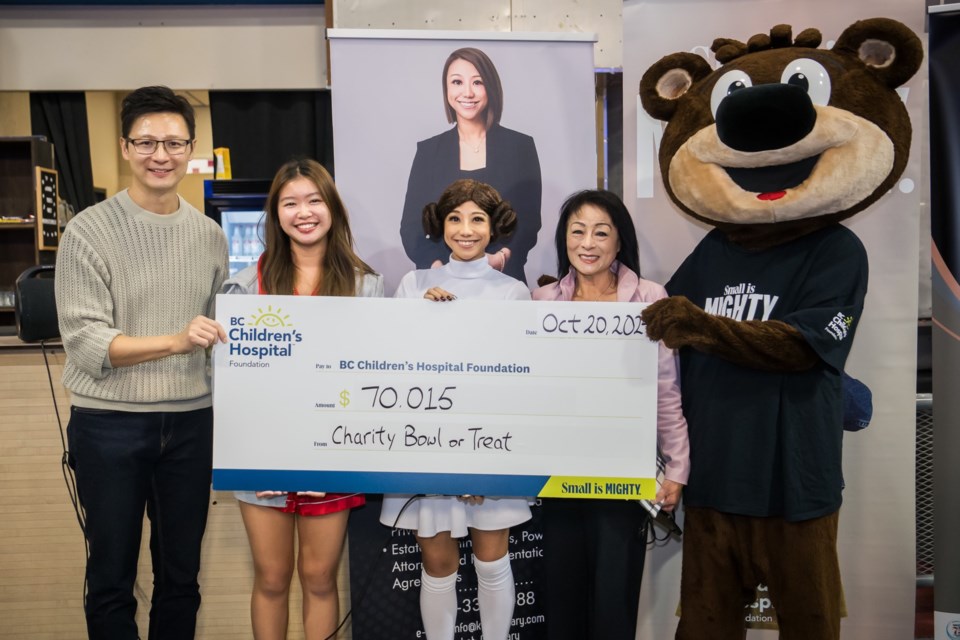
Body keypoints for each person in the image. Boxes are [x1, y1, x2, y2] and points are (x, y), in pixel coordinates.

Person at [55, 85, 229, 640]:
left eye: (174, 142)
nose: (161, 154)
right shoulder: (86, 230)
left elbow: (219, 327)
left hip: (190, 424)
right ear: (125, 147)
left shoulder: (209, 235)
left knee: (182, 575)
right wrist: (176, 342)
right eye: (147, 141)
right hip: (108, 424)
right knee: (111, 575)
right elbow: (86, 342)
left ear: (191, 146)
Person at [222, 158, 383, 639]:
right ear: (275, 214)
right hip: (261, 455)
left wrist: (335, 459)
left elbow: (372, 381)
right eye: (290, 203)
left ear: (332, 208)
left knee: (318, 578)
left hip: (333, 452)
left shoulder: (365, 287)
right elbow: (237, 386)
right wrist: (257, 455)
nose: (304, 212)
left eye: (314, 200)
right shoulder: (244, 289)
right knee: (271, 578)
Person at [531, 190, 690, 640]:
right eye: (577, 231)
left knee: (614, 602)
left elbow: (666, 390)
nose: (588, 242)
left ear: (619, 242)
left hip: (624, 474)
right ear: (564, 240)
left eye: (602, 232)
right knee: (561, 598)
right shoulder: (541, 302)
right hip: (559, 474)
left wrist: (677, 467)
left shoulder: (650, 297)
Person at [382, 179, 531, 640]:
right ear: (439, 224)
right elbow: (393, 367)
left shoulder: (513, 292)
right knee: (437, 566)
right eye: (455, 218)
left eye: (477, 219)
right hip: (428, 448)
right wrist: (420, 317)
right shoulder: (413, 284)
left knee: (492, 562)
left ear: (494, 227)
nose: (465, 230)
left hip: (489, 448)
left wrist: (477, 462)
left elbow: (516, 380)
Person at [399, 47, 542, 284]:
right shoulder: (428, 152)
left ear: (491, 87)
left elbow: (528, 221)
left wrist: (500, 259)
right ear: (446, 90)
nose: (467, 92)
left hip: (502, 280)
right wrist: (439, 270)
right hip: (442, 285)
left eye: (477, 82)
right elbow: (411, 226)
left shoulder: (520, 147)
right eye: (457, 82)